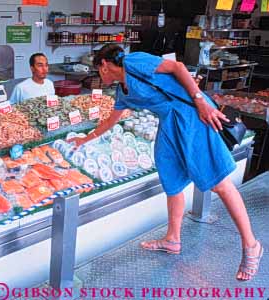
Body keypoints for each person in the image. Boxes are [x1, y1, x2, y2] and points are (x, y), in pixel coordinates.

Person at [68, 44, 263, 281]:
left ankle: (251, 245)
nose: (99, 76)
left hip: (192, 116)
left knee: (219, 183)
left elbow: (177, 67)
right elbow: (111, 120)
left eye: (98, 71)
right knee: (171, 181)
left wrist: (200, 100)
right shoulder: (122, 91)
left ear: (104, 65)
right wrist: (85, 139)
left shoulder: (135, 62)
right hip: (170, 125)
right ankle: (172, 239)